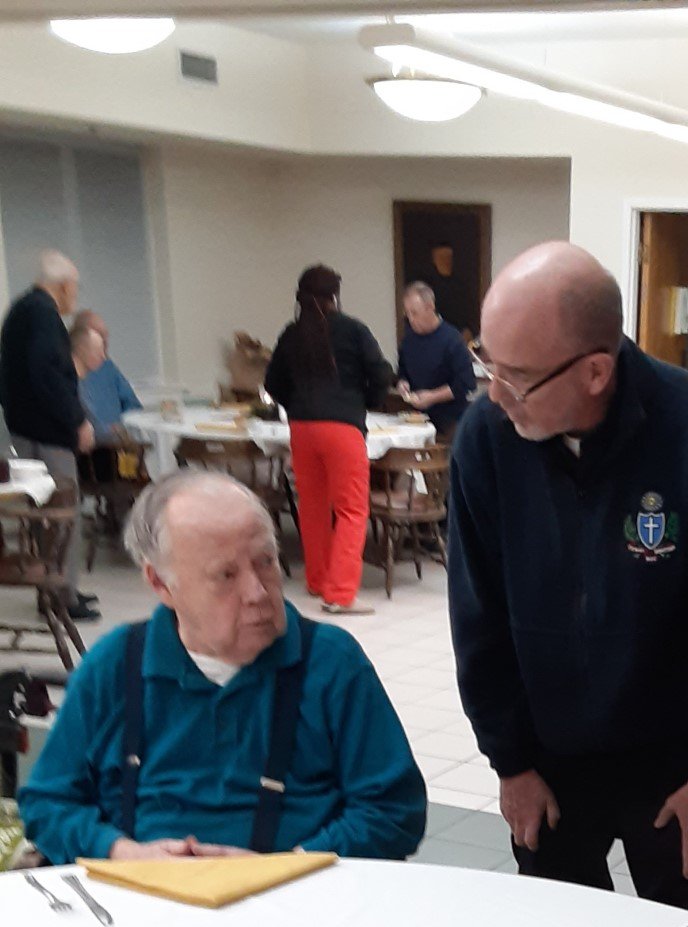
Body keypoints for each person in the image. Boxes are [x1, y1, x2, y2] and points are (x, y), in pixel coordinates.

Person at [447, 241, 688, 915]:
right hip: (549, 759)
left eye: (515, 376)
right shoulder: (488, 438)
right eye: (486, 363)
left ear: (596, 371)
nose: (494, 394)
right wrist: (509, 761)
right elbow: (476, 616)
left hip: (679, 762)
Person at [18, 470, 426, 863]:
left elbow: (395, 811)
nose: (257, 592)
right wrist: (123, 854)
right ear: (161, 584)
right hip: (139, 907)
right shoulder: (115, 666)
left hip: (299, 906)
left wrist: (290, 865)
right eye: (225, 575)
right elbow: (47, 803)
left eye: (265, 562)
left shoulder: (331, 662)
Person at [264, 264, 393, 615]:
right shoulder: (353, 330)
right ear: (335, 295)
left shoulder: (291, 334)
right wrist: (363, 401)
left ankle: (317, 580)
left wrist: (298, 406)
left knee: (313, 505)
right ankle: (339, 594)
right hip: (342, 426)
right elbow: (382, 374)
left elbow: (273, 383)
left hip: (302, 428)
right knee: (351, 509)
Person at [0, 249, 98, 621]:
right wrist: (77, 420)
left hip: (24, 430)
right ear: (61, 285)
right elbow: (49, 376)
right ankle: (63, 597)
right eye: (74, 286)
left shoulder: (18, 312)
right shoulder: (44, 316)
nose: (75, 294)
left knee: (43, 519)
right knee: (62, 516)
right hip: (48, 436)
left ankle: (53, 592)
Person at [396, 282, 476, 444]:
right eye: (408, 314)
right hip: (418, 418)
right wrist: (402, 383)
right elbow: (402, 371)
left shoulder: (452, 339)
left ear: (430, 307)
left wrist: (432, 397)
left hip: (451, 419)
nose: (410, 319)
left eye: (415, 313)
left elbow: (466, 383)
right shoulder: (408, 340)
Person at [72, 309, 142, 445]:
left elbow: (133, 404)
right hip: (93, 449)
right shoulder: (70, 373)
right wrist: (109, 431)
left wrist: (123, 426)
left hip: (119, 443)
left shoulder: (108, 367)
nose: (105, 344)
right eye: (100, 338)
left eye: (105, 337)